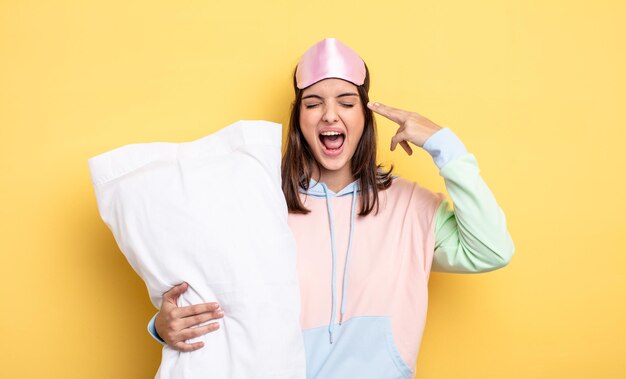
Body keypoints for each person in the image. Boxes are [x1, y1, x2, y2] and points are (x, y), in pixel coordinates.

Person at [147, 38, 514, 378]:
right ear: (298, 118)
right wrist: (162, 327)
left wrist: (442, 144)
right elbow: (218, 295)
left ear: (364, 116)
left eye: (346, 102)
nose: (329, 115)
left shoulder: (410, 208)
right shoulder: (262, 204)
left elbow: (492, 249)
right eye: (313, 103)